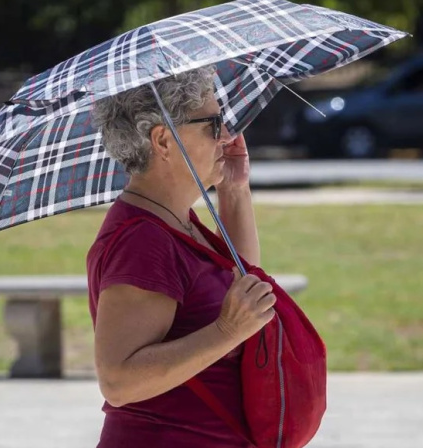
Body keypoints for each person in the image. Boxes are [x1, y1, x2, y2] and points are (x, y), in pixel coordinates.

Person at [86, 66, 276, 447]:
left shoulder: (176, 219)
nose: (226, 136)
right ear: (163, 141)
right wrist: (227, 331)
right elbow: (118, 381)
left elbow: (239, 281)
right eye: (213, 123)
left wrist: (234, 191)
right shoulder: (142, 241)